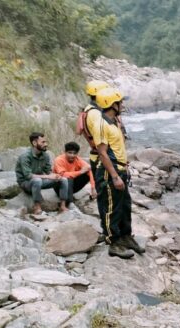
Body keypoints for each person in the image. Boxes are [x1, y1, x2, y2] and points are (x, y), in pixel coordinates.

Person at [91, 87, 144, 259]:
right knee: (111, 208)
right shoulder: (102, 125)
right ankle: (113, 241)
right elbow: (102, 153)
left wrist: (124, 169)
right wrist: (114, 175)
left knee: (125, 205)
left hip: (120, 168)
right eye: (119, 102)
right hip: (109, 171)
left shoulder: (114, 122)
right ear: (112, 104)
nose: (122, 104)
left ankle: (126, 236)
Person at [15, 132, 69, 214]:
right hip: (26, 183)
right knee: (37, 180)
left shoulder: (45, 155)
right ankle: (37, 207)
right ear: (34, 143)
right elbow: (28, 175)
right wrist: (48, 177)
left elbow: (48, 172)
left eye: (46, 142)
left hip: (39, 181)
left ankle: (62, 206)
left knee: (63, 179)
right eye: (43, 142)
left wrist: (55, 176)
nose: (46, 144)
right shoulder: (25, 156)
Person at [53, 142, 96, 207]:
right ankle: (70, 203)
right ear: (65, 152)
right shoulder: (59, 160)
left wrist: (93, 188)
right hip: (59, 187)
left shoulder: (77, 159)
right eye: (70, 153)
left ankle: (95, 193)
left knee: (88, 172)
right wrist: (80, 172)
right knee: (68, 178)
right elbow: (63, 175)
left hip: (72, 187)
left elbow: (89, 169)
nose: (72, 155)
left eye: (74, 153)